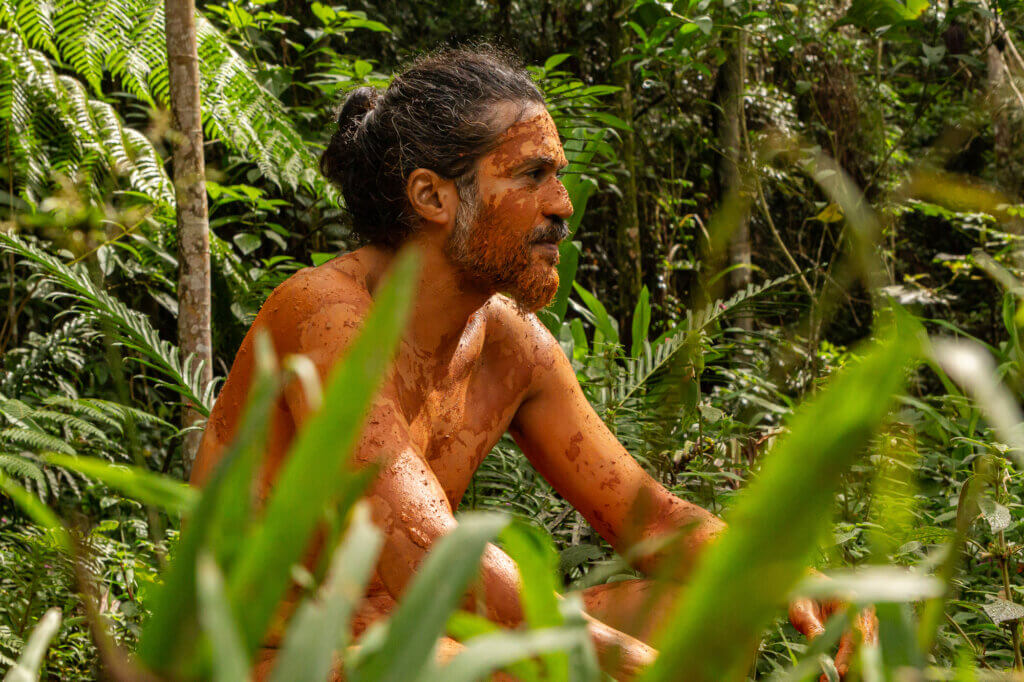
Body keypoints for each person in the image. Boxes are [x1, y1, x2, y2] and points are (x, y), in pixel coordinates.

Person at [191, 45, 874, 680]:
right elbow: (427, 551)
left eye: (560, 177)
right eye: (533, 175)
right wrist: (616, 657)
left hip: (401, 637)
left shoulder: (512, 345)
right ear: (432, 197)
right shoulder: (327, 316)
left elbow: (653, 522)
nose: (563, 206)